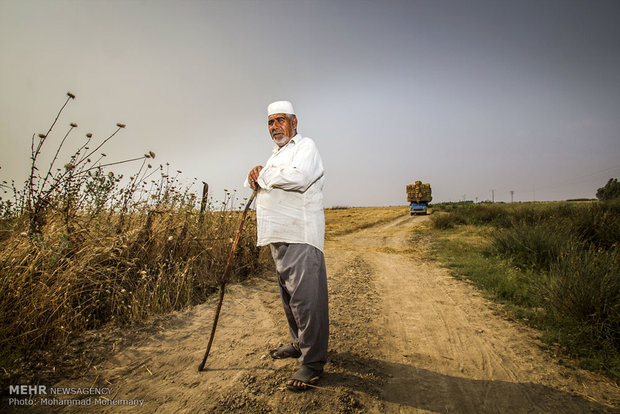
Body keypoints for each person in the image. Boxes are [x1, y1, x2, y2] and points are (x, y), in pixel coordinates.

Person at [245, 100, 328, 391]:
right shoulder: (276, 155)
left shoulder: (306, 147)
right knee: (289, 298)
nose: (275, 127)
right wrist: (257, 171)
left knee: (306, 300)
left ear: (294, 122)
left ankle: (313, 363)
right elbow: (264, 181)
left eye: (280, 120)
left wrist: (263, 175)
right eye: (270, 122)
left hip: (301, 234)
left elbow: (300, 178)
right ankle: (299, 344)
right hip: (279, 235)